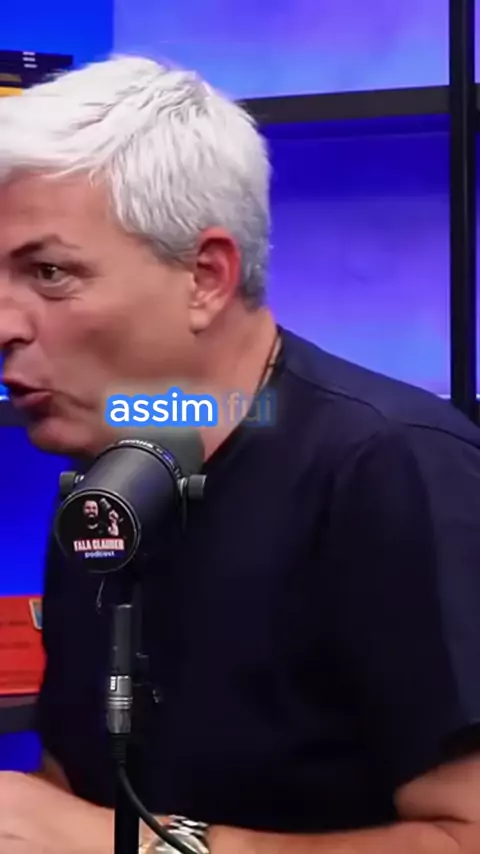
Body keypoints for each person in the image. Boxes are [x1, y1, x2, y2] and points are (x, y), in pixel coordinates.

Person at [0, 55, 480, 854]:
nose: (4, 325)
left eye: (49, 273)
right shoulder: (104, 482)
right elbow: (74, 795)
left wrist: (156, 848)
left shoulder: (396, 473)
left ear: (206, 276)